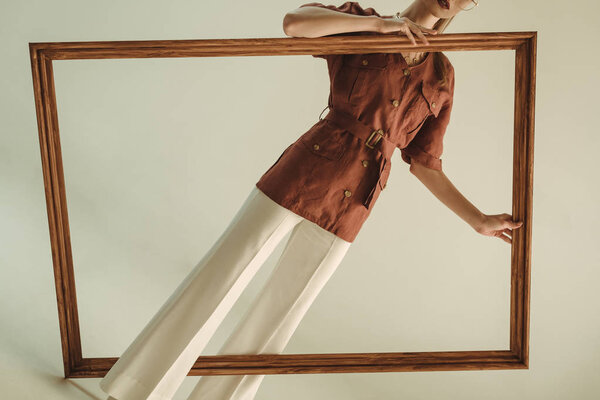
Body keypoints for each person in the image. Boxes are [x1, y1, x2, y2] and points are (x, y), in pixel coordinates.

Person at [100, 1, 524, 399]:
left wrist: (478, 220)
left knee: (278, 319)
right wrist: (380, 26)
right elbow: (295, 25)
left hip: (356, 202)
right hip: (304, 171)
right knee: (222, 277)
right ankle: (137, 387)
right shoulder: (363, 19)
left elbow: (425, 163)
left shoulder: (442, 76)